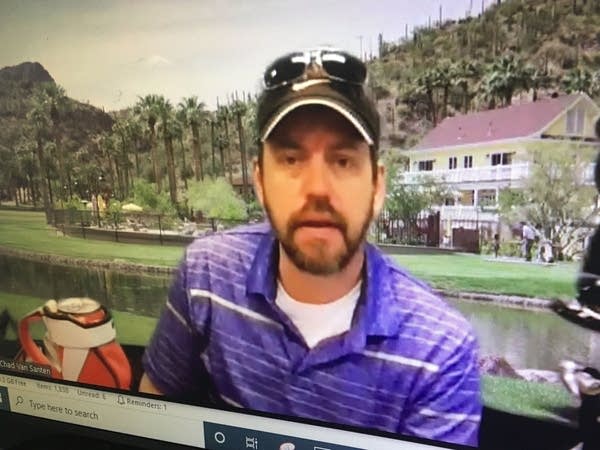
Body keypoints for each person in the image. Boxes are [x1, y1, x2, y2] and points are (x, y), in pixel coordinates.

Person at [139, 48, 481, 447]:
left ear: (377, 186)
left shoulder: (439, 350)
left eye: (342, 160)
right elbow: (155, 411)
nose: (317, 188)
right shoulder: (207, 274)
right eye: (291, 158)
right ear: (260, 181)